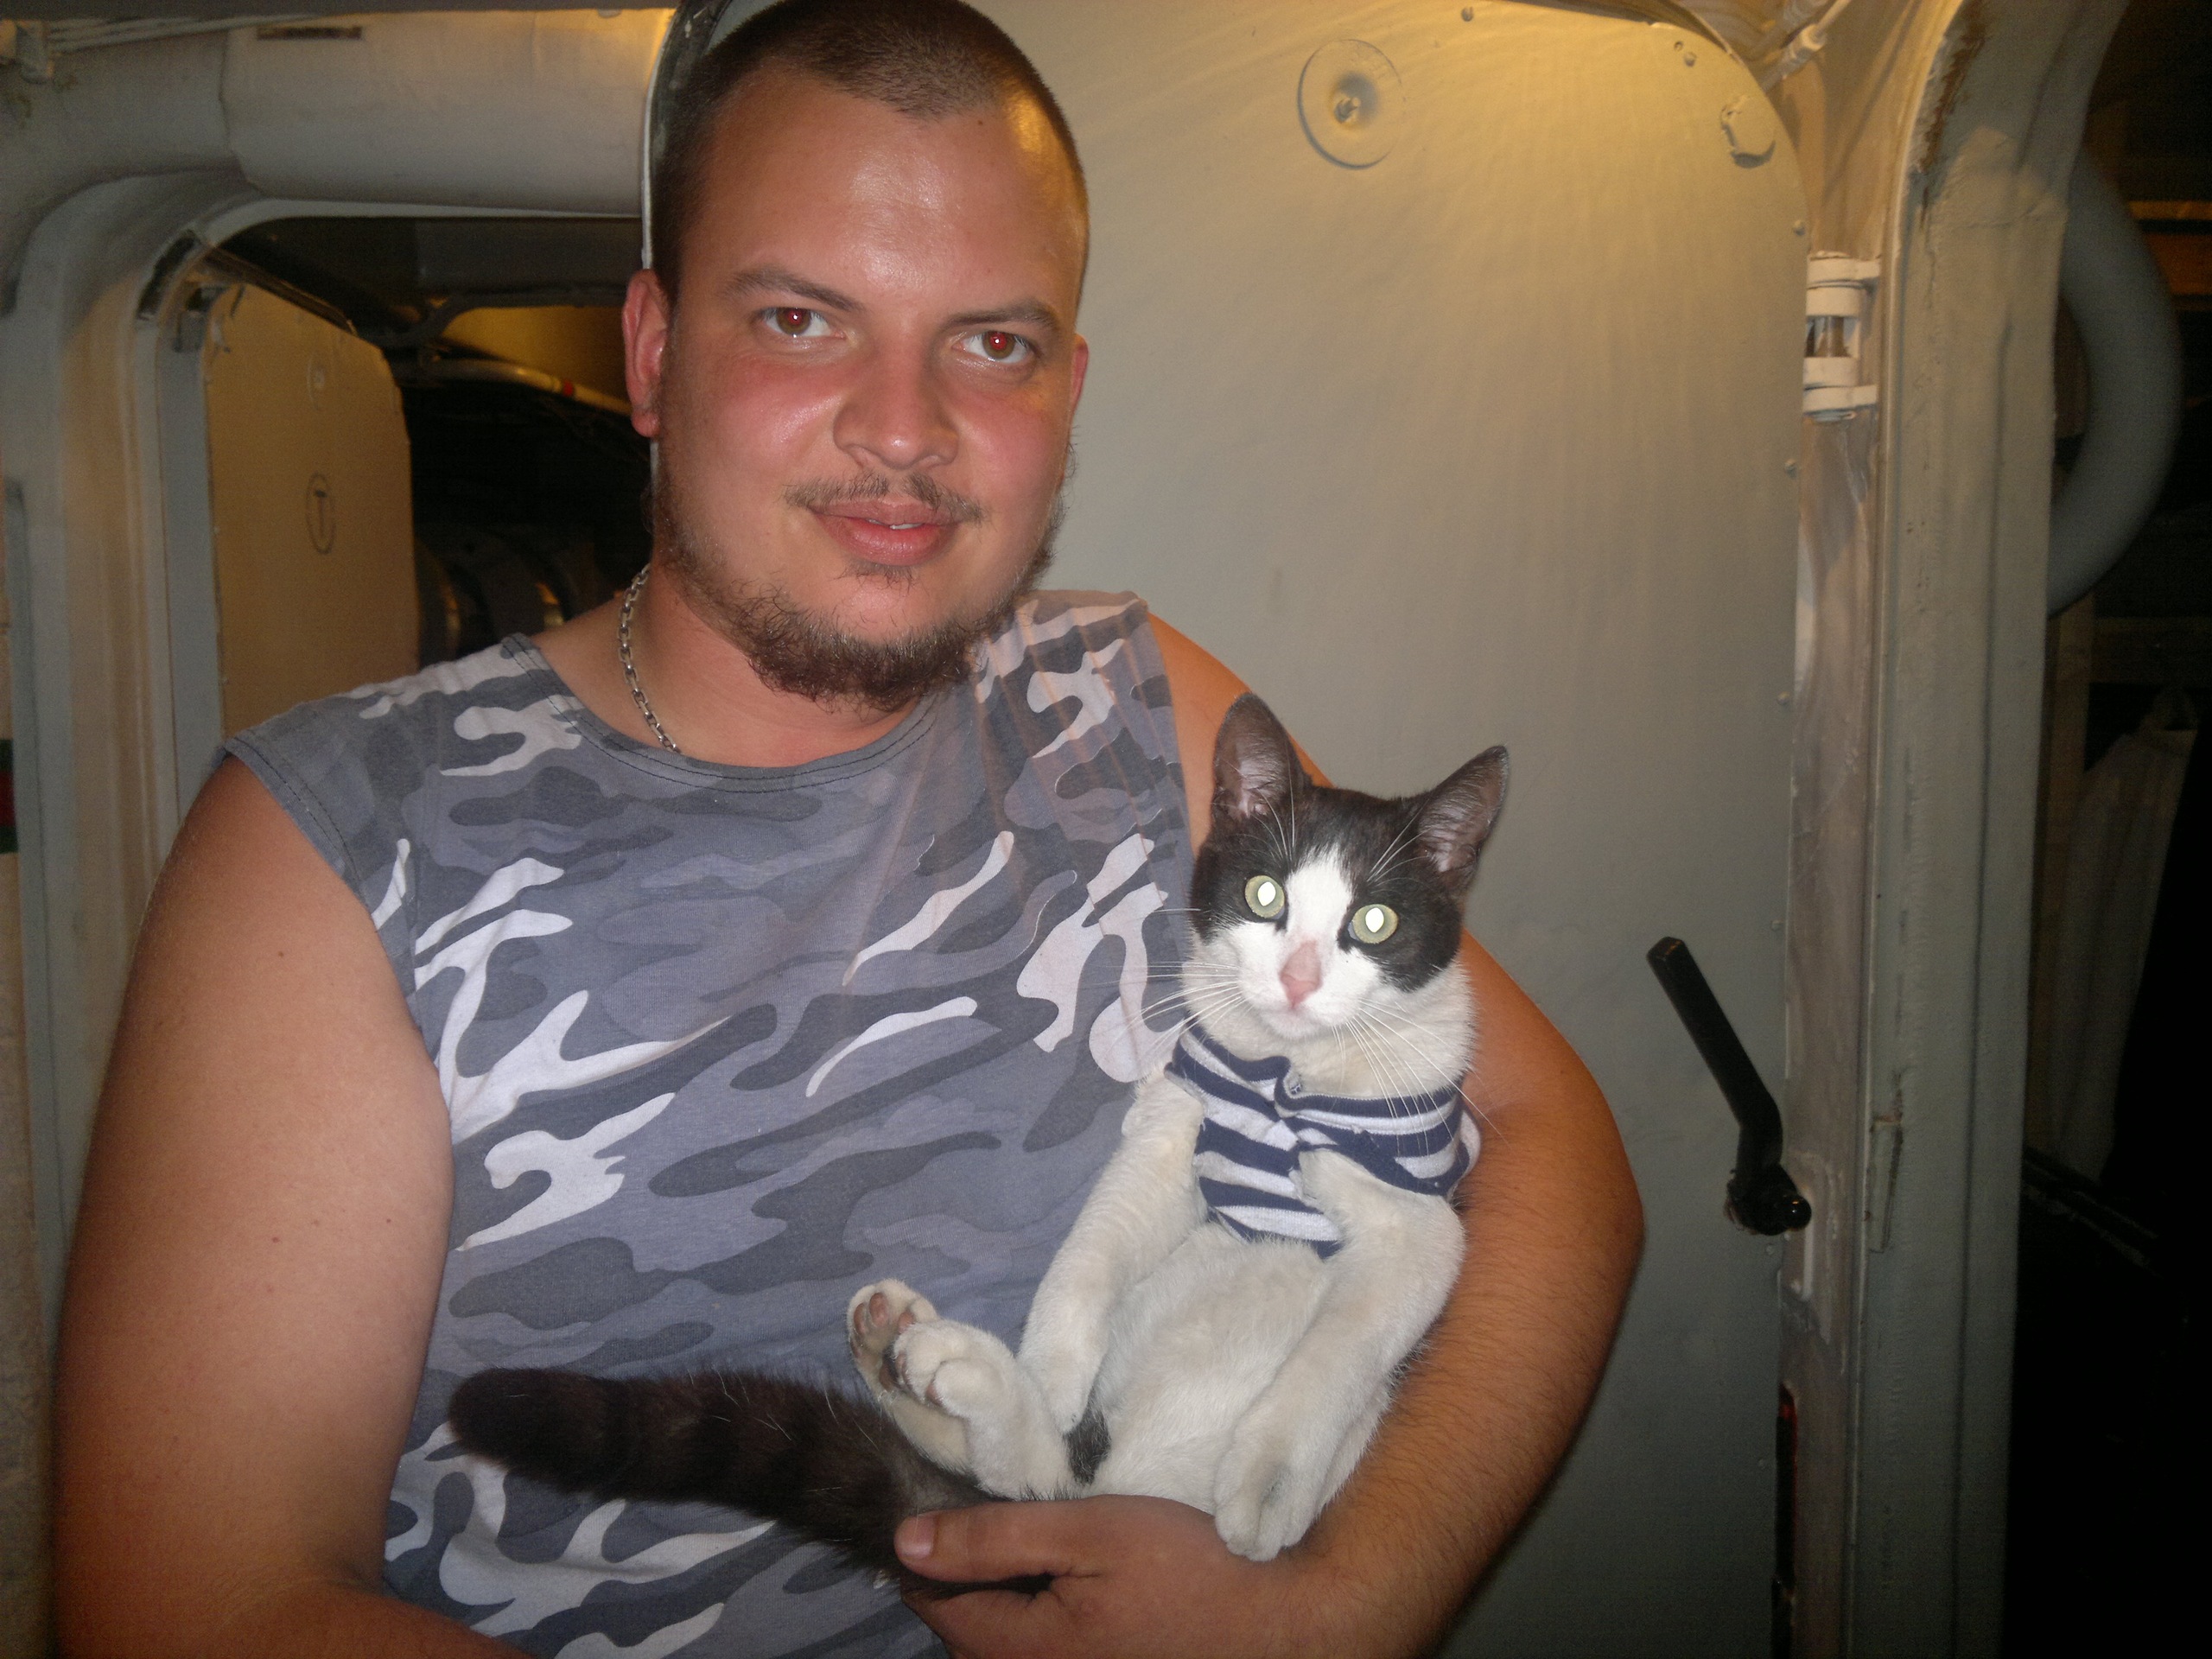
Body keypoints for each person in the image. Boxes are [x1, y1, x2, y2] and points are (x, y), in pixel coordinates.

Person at [52, 2, 1640, 1655]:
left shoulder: (1135, 699)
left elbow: (1554, 1142)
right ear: (652, 354)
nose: (904, 426)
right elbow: (200, 1607)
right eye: (803, 319)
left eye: (993, 344)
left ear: (1069, 393)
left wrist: (1341, 1606)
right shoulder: (331, 848)